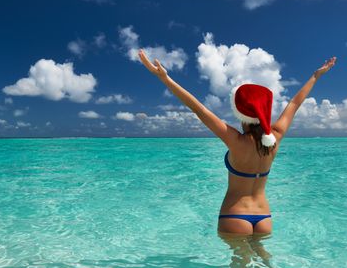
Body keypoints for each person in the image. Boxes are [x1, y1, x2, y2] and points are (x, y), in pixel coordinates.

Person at [138, 49, 336, 236]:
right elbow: (294, 103)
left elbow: (198, 109)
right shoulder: (275, 137)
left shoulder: (235, 140)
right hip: (264, 217)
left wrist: (164, 78)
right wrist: (316, 76)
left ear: (241, 114)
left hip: (234, 215)